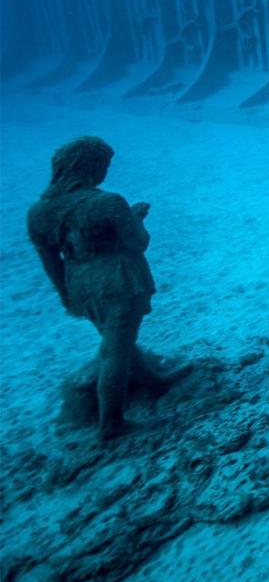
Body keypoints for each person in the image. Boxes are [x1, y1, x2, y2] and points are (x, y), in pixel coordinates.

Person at [26, 137, 184, 440]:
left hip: (80, 283)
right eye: (105, 165)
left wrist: (66, 295)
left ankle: (153, 380)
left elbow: (49, 260)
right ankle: (110, 424)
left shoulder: (38, 212)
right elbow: (138, 242)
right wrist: (136, 218)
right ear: (91, 165)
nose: (106, 171)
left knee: (118, 340)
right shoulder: (107, 203)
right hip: (119, 281)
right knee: (116, 351)